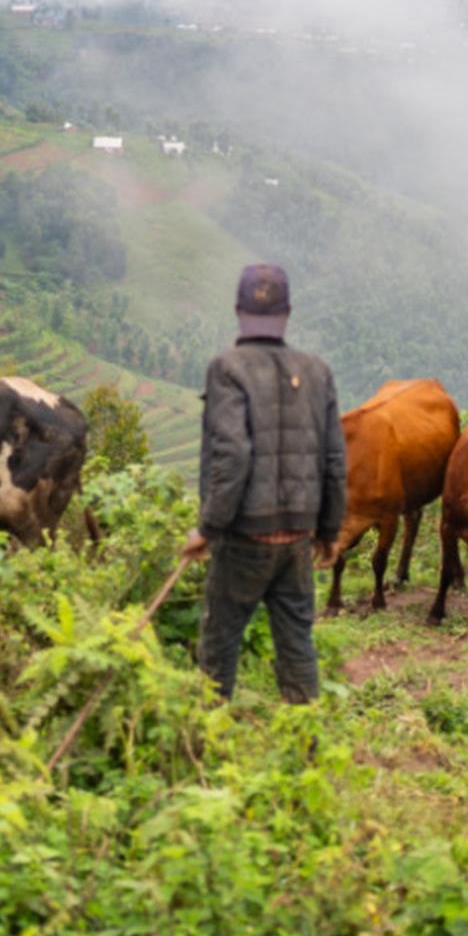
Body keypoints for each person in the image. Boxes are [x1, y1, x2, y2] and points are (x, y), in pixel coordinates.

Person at [180, 263, 346, 703]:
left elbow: (232, 455)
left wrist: (207, 529)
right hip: (296, 537)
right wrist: (330, 532)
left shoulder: (227, 367)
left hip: (243, 537)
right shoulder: (316, 371)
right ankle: (306, 747)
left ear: (238, 311)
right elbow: (333, 458)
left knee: (218, 647)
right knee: (297, 646)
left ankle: (208, 747)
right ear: (287, 312)